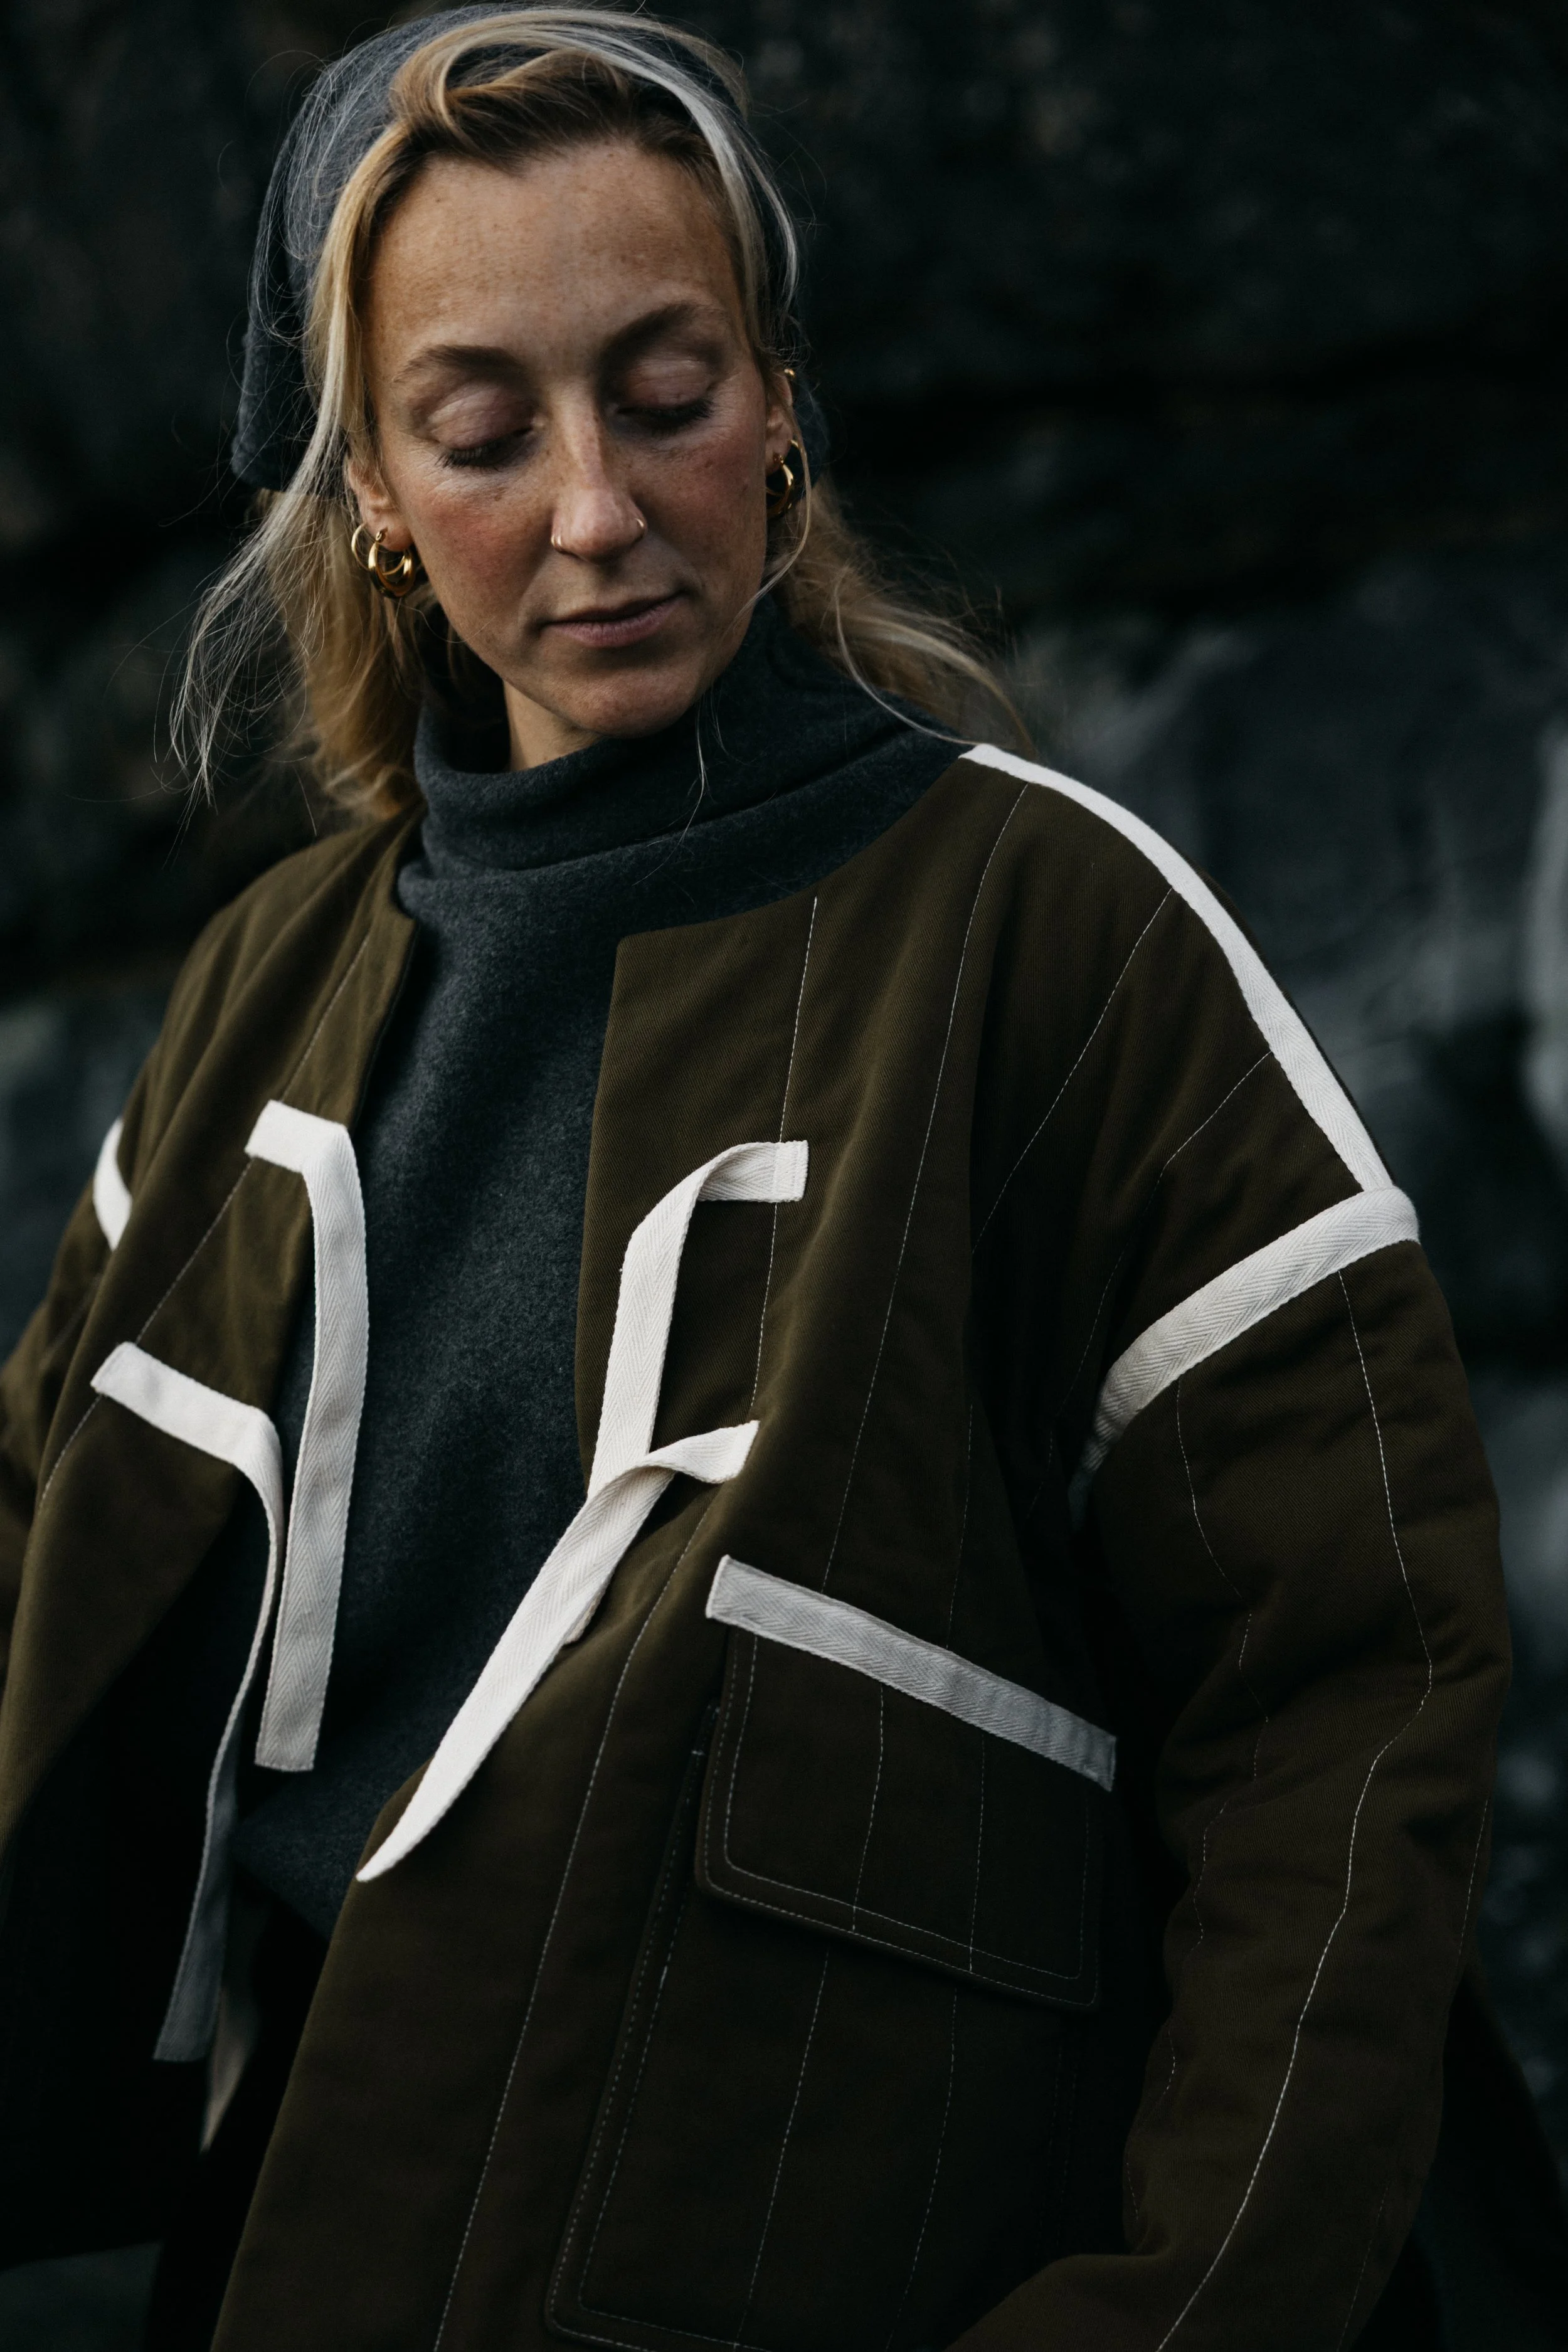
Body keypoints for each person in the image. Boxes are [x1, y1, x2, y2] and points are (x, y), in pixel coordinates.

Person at [0, 8, 1543, 2348]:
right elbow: (37, 1548)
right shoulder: (261, 995)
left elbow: (1347, 1697)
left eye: (667, 388)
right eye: (485, 430)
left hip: (859, 2256)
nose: (601, 508)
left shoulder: (1051, 938)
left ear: (781, 399)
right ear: (377, 501)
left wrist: (1180, 2305)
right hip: (317, 2243)